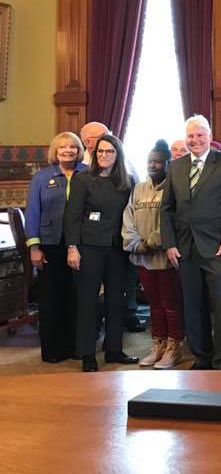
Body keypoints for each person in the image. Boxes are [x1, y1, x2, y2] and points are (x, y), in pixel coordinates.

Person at [160, 114, 221, 371]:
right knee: (193, 306)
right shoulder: (176, 166)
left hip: (218, 248)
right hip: (184, 249)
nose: (194, 140)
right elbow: (167, 209)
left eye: (199, 135)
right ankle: (201, 358)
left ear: (210, 136)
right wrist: (169, 244)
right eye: (190, 136)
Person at [64, 134, 139, 372]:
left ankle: (114, 350)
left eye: (109, 151)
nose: (104, 155)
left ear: (118, 155)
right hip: (88, 248)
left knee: (116, 301)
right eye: (100, 151)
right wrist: (72, 247)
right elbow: (72, 216)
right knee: (88, 302)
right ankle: (87, 354)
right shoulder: (82, 179)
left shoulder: (126, 182)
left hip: (117, 249)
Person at [122, 140, 185, 370]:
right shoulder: (139, 188)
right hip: (142, 257)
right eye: (150, 161)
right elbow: (128, 217)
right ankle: (158, 343)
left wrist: (152, 242)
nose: (152, 165)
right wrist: (135, 243)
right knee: (154, 304)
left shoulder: (175, 187)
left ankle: (175, 345)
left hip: (165, 258)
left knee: (171, 304)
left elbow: (174, 218)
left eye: (158, 161)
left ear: (168, 163)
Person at [25, 131, 85, 363]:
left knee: (77, 296)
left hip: (81, 244)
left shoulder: (87, 173)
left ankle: (77, 347)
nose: (68, 150)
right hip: (50, 244)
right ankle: (53, 350)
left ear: (78, 150)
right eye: (62, 147)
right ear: (55, 151)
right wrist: (34, 247)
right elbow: (33, 212)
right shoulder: (41, 178)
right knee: (51, 297)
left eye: (72, 146)